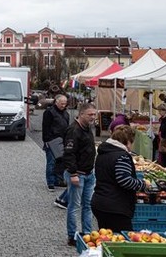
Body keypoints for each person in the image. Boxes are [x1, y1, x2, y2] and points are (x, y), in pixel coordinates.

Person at [91, 125, 147, 232]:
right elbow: (125, 181)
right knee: (123, 241)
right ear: (128, 141)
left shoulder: (103, 153)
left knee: (107, 238)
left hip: (100, 202)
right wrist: (143, 184)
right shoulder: (122, 156)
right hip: (116, 207)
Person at [61, 102, 97, 247]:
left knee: (88, 206)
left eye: (94, 114)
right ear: (81, 114)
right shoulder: (74, 130)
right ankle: (72, 236)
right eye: (90, 115)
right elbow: (69, 154)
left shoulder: (88, 128)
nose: (93, 117)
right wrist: (73, 173)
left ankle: (87, 234)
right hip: (78, 174)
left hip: (89, 173)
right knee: (74, 206)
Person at [42, 94, 70, 193]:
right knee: (51, 162)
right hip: (52, 140)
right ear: (56, 102)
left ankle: (58, 180)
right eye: (62, 103)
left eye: (65, 103)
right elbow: (45, 127)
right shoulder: (49, 112)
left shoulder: (66, 114)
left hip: (62, 140)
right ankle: (50, 182)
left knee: (61, 162)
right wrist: (46, 141)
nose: (63, 105)